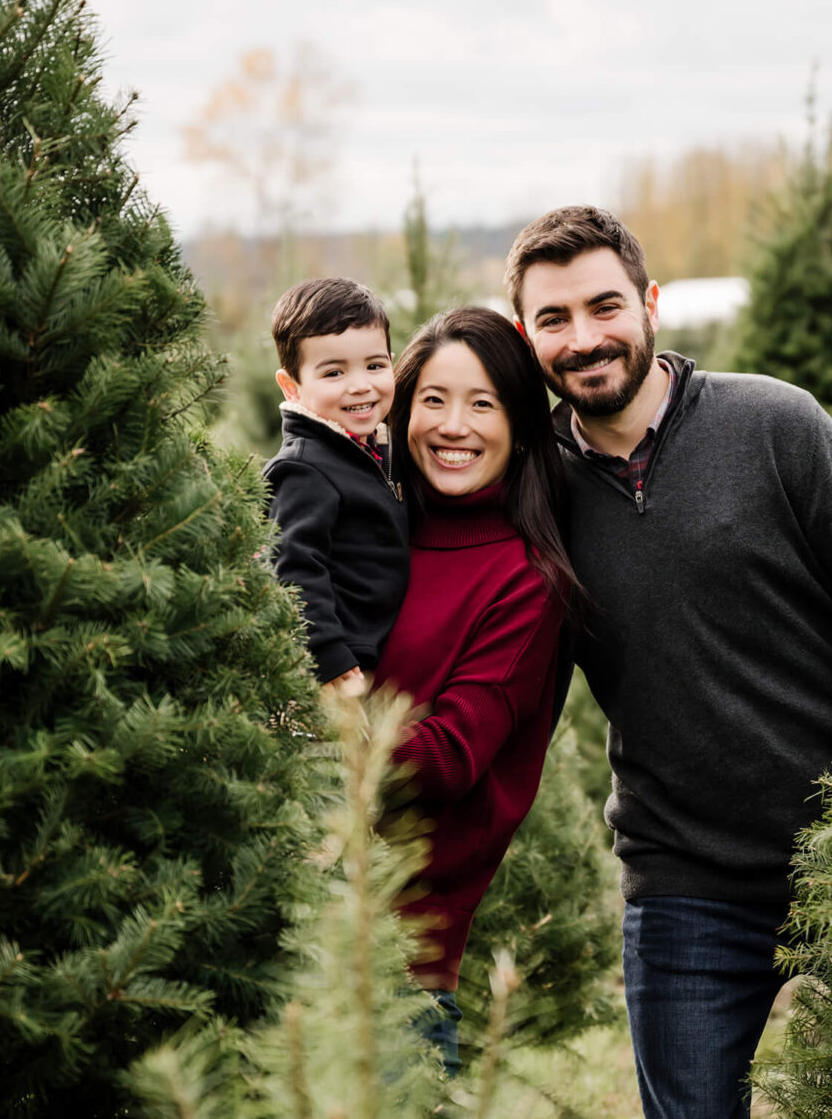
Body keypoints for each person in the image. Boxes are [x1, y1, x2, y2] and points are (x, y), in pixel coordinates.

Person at [505, 205, 832, 1118]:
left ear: (650, 304)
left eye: (604, 305)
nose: (585, 337)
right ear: (527, 337)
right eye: (553, 319)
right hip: (685, 883)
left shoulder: (776, 424)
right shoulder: (533, 496)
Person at [372, 306, 586, 1074]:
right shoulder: (369, 529)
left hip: (399, 966)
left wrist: (310, 722)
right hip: (287, 931)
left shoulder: (527, 579)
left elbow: (446, 758)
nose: (452, 425)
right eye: (432, 398)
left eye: (482, 403)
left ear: (522, 427)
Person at [262, 277, 408, 699]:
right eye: (334, 372)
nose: (360, 384)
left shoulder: (371, 450)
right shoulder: (304, 468)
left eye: (375, 366)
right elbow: (291, 565)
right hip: (339, 672)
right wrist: (326, 656)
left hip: (376, 654)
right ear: (292, 386)